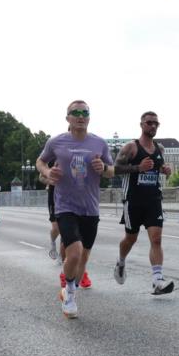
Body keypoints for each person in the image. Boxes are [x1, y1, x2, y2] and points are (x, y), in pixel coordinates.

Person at [36, 101, 114, 318]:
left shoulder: (99, 143)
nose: (80, 116)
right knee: (75, 251)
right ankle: (69, 293)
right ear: (68, 117)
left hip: (90, 207)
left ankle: (70, 288)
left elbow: (111, 170)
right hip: (65, 206)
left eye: (84, 113)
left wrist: (104, 168)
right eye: (76, 113)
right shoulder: (56, 142)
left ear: (89, 117)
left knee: (84, 257)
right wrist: (47, 171)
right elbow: (40, 161)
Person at [113, 111, 174, 295]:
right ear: (141, 124)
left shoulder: (159, 149)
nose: (153, 126)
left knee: (156, 239)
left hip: (153, 200)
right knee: (130, 238)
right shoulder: (130, 148)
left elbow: (158, 168)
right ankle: (121, 261)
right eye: (149, 123)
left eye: (156, 123)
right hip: (133, 201)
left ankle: (157, 280)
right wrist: (138, 168)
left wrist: (165, 169)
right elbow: (115, 169)